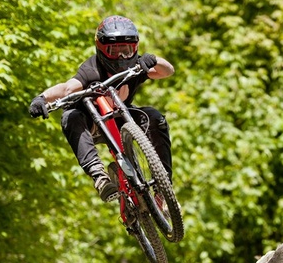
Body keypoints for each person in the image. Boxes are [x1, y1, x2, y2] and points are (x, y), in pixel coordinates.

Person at [29, 15, 174, 202]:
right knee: (70, 116)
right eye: (115, 51)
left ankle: (164, 189)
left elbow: (167, 71)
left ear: (135, 47)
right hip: (91, 124)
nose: (122, 57)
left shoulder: (136, 66)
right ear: (101, 48)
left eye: (127, 50)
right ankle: (99, 176)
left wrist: (154, 60)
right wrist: (42, 98)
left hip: (122, 118)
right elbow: (66, 88)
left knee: (155, 118)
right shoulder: (91, 69)